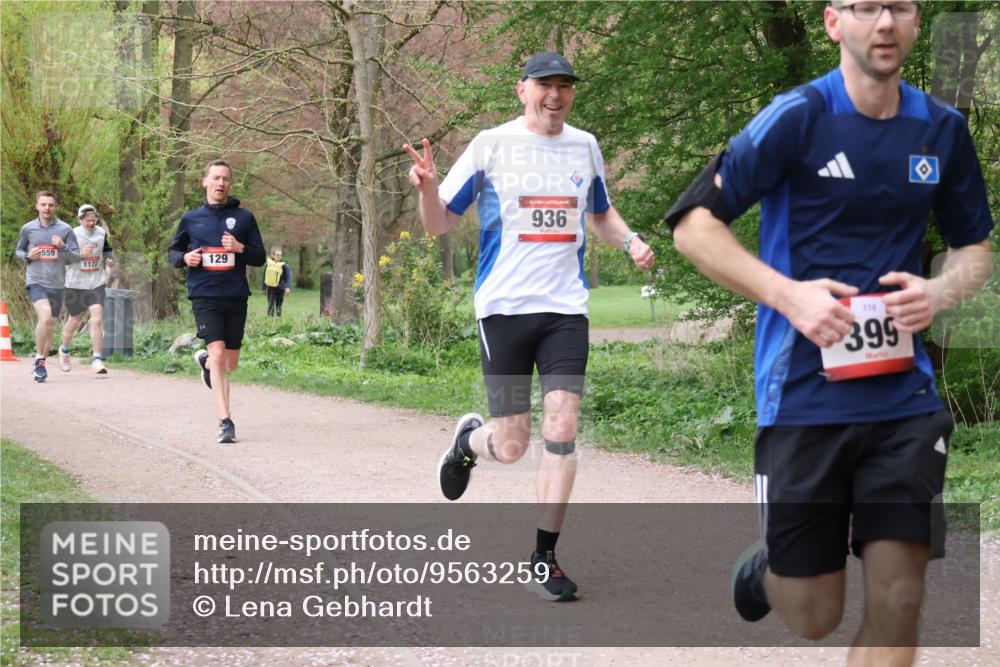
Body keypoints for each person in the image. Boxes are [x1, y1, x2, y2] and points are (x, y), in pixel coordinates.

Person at [665, 2, 993, 663]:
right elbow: (693, 224)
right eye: (866, 7)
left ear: (917, 21)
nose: (884, 23)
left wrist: (937, 290)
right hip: (804, 395)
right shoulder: (798, 117)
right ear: (832, 21)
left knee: (899, 602)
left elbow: (975, 249)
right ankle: (771, 569)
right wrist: (789, 297)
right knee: (815, 614)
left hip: (905, 399)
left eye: (898, 7)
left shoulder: (942, 130)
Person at [404, 51, 654, 601]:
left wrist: (630, 238)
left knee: (562, 427)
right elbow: (438, 222)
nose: (555, 95)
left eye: (565, 86)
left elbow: (601, 213)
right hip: (504, 312)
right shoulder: (491, 145)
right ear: (522, 90)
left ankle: (543, 557)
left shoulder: (584, 146)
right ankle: (470, 440)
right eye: (545, 85)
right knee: (513, 444)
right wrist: (426, 188)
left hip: (565, 311)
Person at [168, 160, 266, 443]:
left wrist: (240, 248)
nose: (220, 183)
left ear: (230, 184)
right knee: (219, 353)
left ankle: (206, 363)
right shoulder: (191, 218)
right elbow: (174, 252)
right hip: (204, 294)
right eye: (215, 178)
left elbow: (259, 257)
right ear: (205, 182)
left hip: (235, 295)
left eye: (225, 178)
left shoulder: (244, 218)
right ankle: (225, 421)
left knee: (229, 363)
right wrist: (185, 258)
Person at [14, 191, 81, 383]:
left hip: (58, 284)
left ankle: (41, 360)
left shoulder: (66, 229)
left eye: (50, 205)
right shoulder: (27, 229)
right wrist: (27, 256)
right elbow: (18, 250)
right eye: (43, 204)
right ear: (37, 206)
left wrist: (63, 247)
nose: (47, 208)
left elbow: (76, 258)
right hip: (36, 281)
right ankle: (38, 361)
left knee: (50, 325)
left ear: (55, 207)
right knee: (44, 317)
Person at [59, 204, 113, 375]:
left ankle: (97, 359)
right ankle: (64, 350)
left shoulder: (101, 233)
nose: (91, 223)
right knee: (74, 319)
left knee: (97, 319)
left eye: (94, 220)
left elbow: (107, 249)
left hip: (96, 281)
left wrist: (109, 259)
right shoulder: (72, 234)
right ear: (80, 219)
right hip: (75, 283)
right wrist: (81, 254)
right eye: (87, 221)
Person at [262, 248, 292, 317]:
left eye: (280, 255)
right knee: (270, 305)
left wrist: (288, 287)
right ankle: (270, 320)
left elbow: (288, 277)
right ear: (273, 255)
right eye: (277, 255)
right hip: (270, 288)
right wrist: (263, 287)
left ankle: (278, 319)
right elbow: (265, 276)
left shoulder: (284, 265)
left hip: (280, 288)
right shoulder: (269, 264)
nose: (278, 256)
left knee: (279, 305)